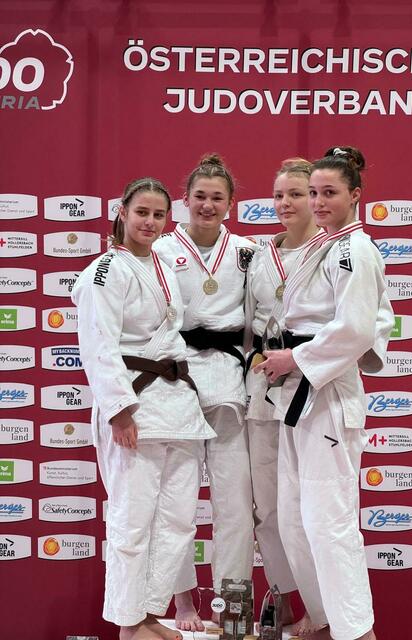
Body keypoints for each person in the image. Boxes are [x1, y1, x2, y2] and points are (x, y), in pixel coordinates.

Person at [254, 146, 394, 640]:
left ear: (355, 195)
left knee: (329, 522)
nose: (318, 202)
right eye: (312, 192)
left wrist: (295, 359)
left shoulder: (355, 250)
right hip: (299, 392)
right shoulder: (327, 246)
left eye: (329, 192)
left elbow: (356, 329)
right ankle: (325, 619)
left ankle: (356, 632)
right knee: (295, 519)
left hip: (328, 395)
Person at [72, 177, 216, 640]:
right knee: (132, 521)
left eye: (158, 215)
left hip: (177, 405)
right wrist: (118, 410)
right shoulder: (104, 271)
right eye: (142, 213)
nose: (150, 222)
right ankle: (128, 623)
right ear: (122, 211)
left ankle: (150, 611)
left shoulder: (163, 267)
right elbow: (98, 344)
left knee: (177, 520)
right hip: (135, 405)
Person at [154, 155, 256, 632]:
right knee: (175, 502)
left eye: (217, 198)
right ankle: (182, 604)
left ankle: (233, 609)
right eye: (200, 196)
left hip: (229, 382)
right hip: (175, 379)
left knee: (234, 504)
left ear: (231, 204)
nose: (207, 205)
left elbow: (260, 318)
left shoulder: (247, 252)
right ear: (185, 200)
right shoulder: (159, 249)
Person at [244, 158, 326, 627]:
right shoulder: (260, 254)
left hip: (309, 385)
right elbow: (246, 326)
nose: (285, 203)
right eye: (279, 195)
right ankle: (284, 596)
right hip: (262, 386)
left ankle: (321, 609)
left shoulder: (330, 251)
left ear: (314, 198)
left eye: (296, 194)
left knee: (308, 505)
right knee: (267, 506)